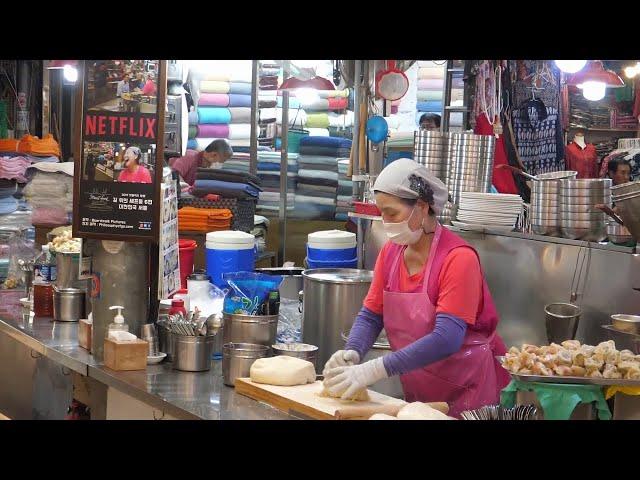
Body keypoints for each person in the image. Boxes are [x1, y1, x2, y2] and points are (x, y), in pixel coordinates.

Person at [322, 158, 510, 418]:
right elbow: (371, 315)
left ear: (422, 208)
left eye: (392, 213)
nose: (386, 222)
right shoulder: (391, 253)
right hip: (422, 393)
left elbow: (448, 338)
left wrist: (376, 369)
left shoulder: (458, 259)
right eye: (382, 213)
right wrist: (352, 353)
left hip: (469, 391)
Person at [169, 139, 233, 186]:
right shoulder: (189, 156)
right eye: (220, 161)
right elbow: (174, 174)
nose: (219, 164)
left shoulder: (206, 165)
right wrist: (187, 188)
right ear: (214, 155)